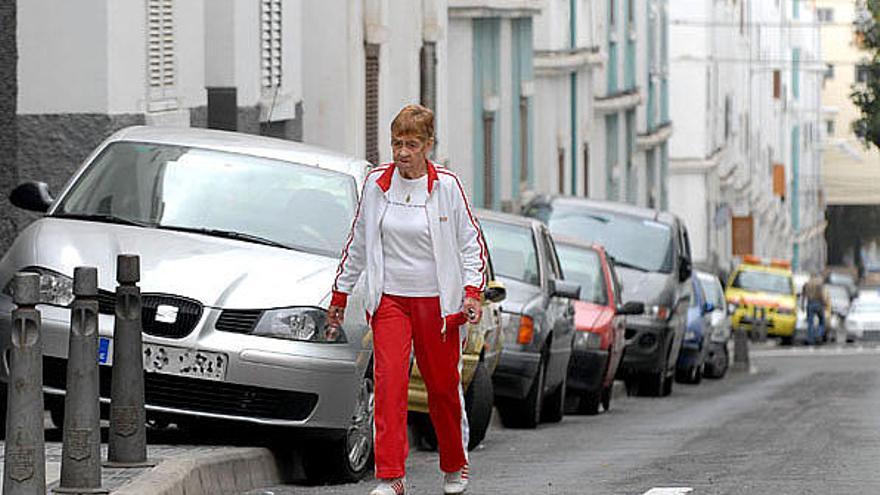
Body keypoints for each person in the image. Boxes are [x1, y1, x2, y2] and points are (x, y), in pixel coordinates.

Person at [328, 104, 486, 495]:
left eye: (411, 144)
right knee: (390, 385)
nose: (402, 152)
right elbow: (359, 244)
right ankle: (391, 476)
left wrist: (472, 292)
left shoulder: (446, 186)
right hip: (390, 301)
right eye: (397, 143)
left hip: (437, 304)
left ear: (428, 145)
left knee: (442, 388)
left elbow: (470, 244)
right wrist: (340, 294)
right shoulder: (377, 186)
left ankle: (454, 464)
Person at [802, 272, 827, 345]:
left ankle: (810, 339)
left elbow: (803, 296)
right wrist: (824, 303)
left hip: (810, 304)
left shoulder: (807, 284)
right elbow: (822, 295)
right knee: (822, 321)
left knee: (810, 323)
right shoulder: (819, 284)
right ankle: (818, 334)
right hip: (819, 304)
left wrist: (802, 305)